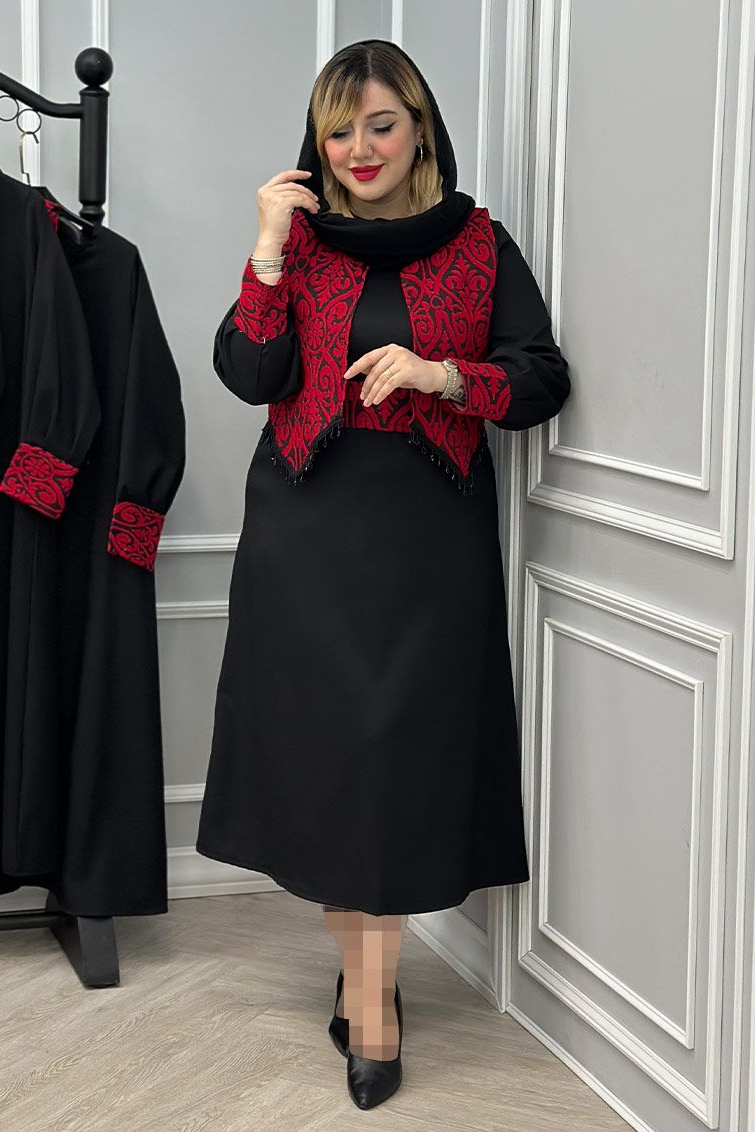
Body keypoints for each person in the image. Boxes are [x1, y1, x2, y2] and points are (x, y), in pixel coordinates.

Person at [196, 38, 570, 1110]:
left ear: (419, 128)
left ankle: (368, 997)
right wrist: (267, 251)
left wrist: (441, 373)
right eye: (337, 131)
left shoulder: (478, 241)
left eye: (379, 125)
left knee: (391, 768)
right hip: (304, 533)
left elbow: (540, 377)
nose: (357, 149)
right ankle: (370, 996)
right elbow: (250, 372)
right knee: (330, 766)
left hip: (426, 539)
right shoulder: (302, 244)